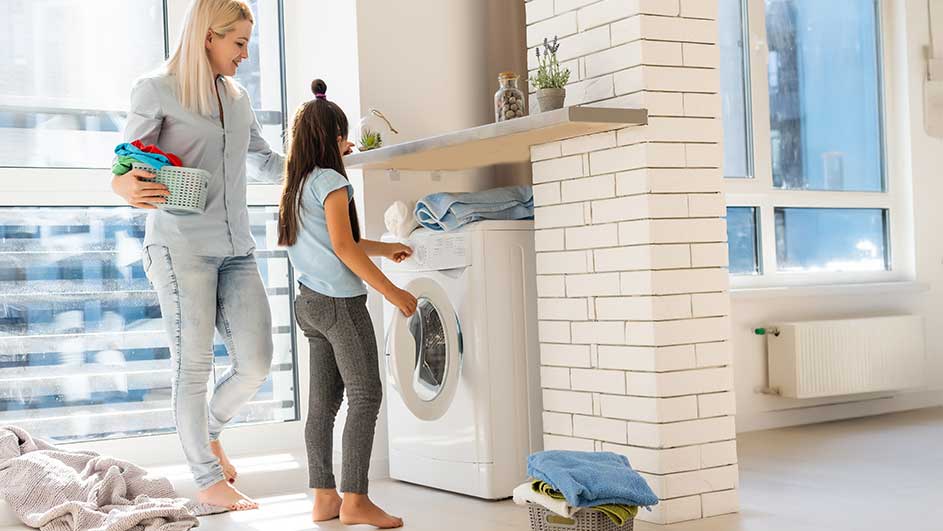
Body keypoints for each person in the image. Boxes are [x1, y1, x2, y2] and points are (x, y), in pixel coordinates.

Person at [111, 0, 283, 511]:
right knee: (194, 365)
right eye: (239, 43)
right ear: (209, 36)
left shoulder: (237, 97)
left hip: (237, 248)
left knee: (255, 363)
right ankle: (207, 482)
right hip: (179, 246)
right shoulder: (157, 88)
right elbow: (126, 164)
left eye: (249, 44)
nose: (245, 55)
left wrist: (320, 156)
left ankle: (208, 432)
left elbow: (266, 163)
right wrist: (122, 185)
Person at [279, 78, 416, 529]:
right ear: (332, 139)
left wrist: (385, 248)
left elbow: (343, 240)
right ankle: (356, 498)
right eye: (342, 137)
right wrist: (393, 292)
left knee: (323, 406)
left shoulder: (297, 184)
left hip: (310, 304)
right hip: (340, 305)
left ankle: (324, 496)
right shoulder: (332, 180)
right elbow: (343, 247)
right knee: (366, 394)